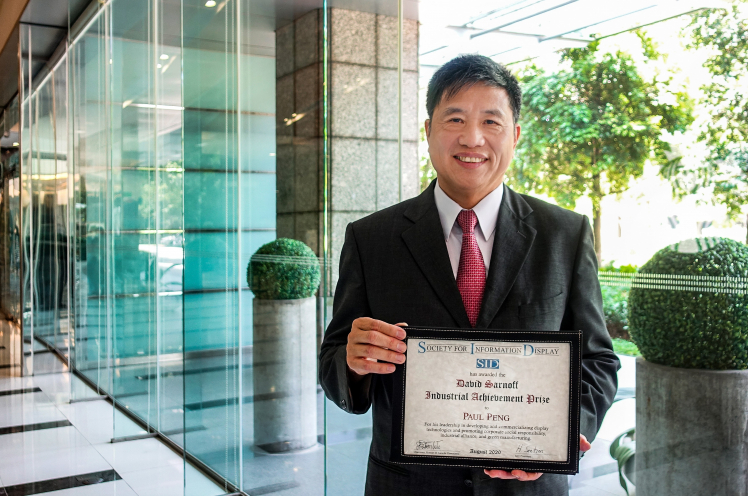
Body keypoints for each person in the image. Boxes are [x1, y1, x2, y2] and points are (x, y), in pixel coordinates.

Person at [319, 54, 620, 496]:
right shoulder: (371, 238)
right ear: (428, 131)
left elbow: (598, 360)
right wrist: (353, 361)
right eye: (455, 119)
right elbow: (333, 360)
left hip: (528, 487)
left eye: (491, 122)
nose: (472, 138)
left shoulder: (565, 234)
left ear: (515, 135)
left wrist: (563, 433)